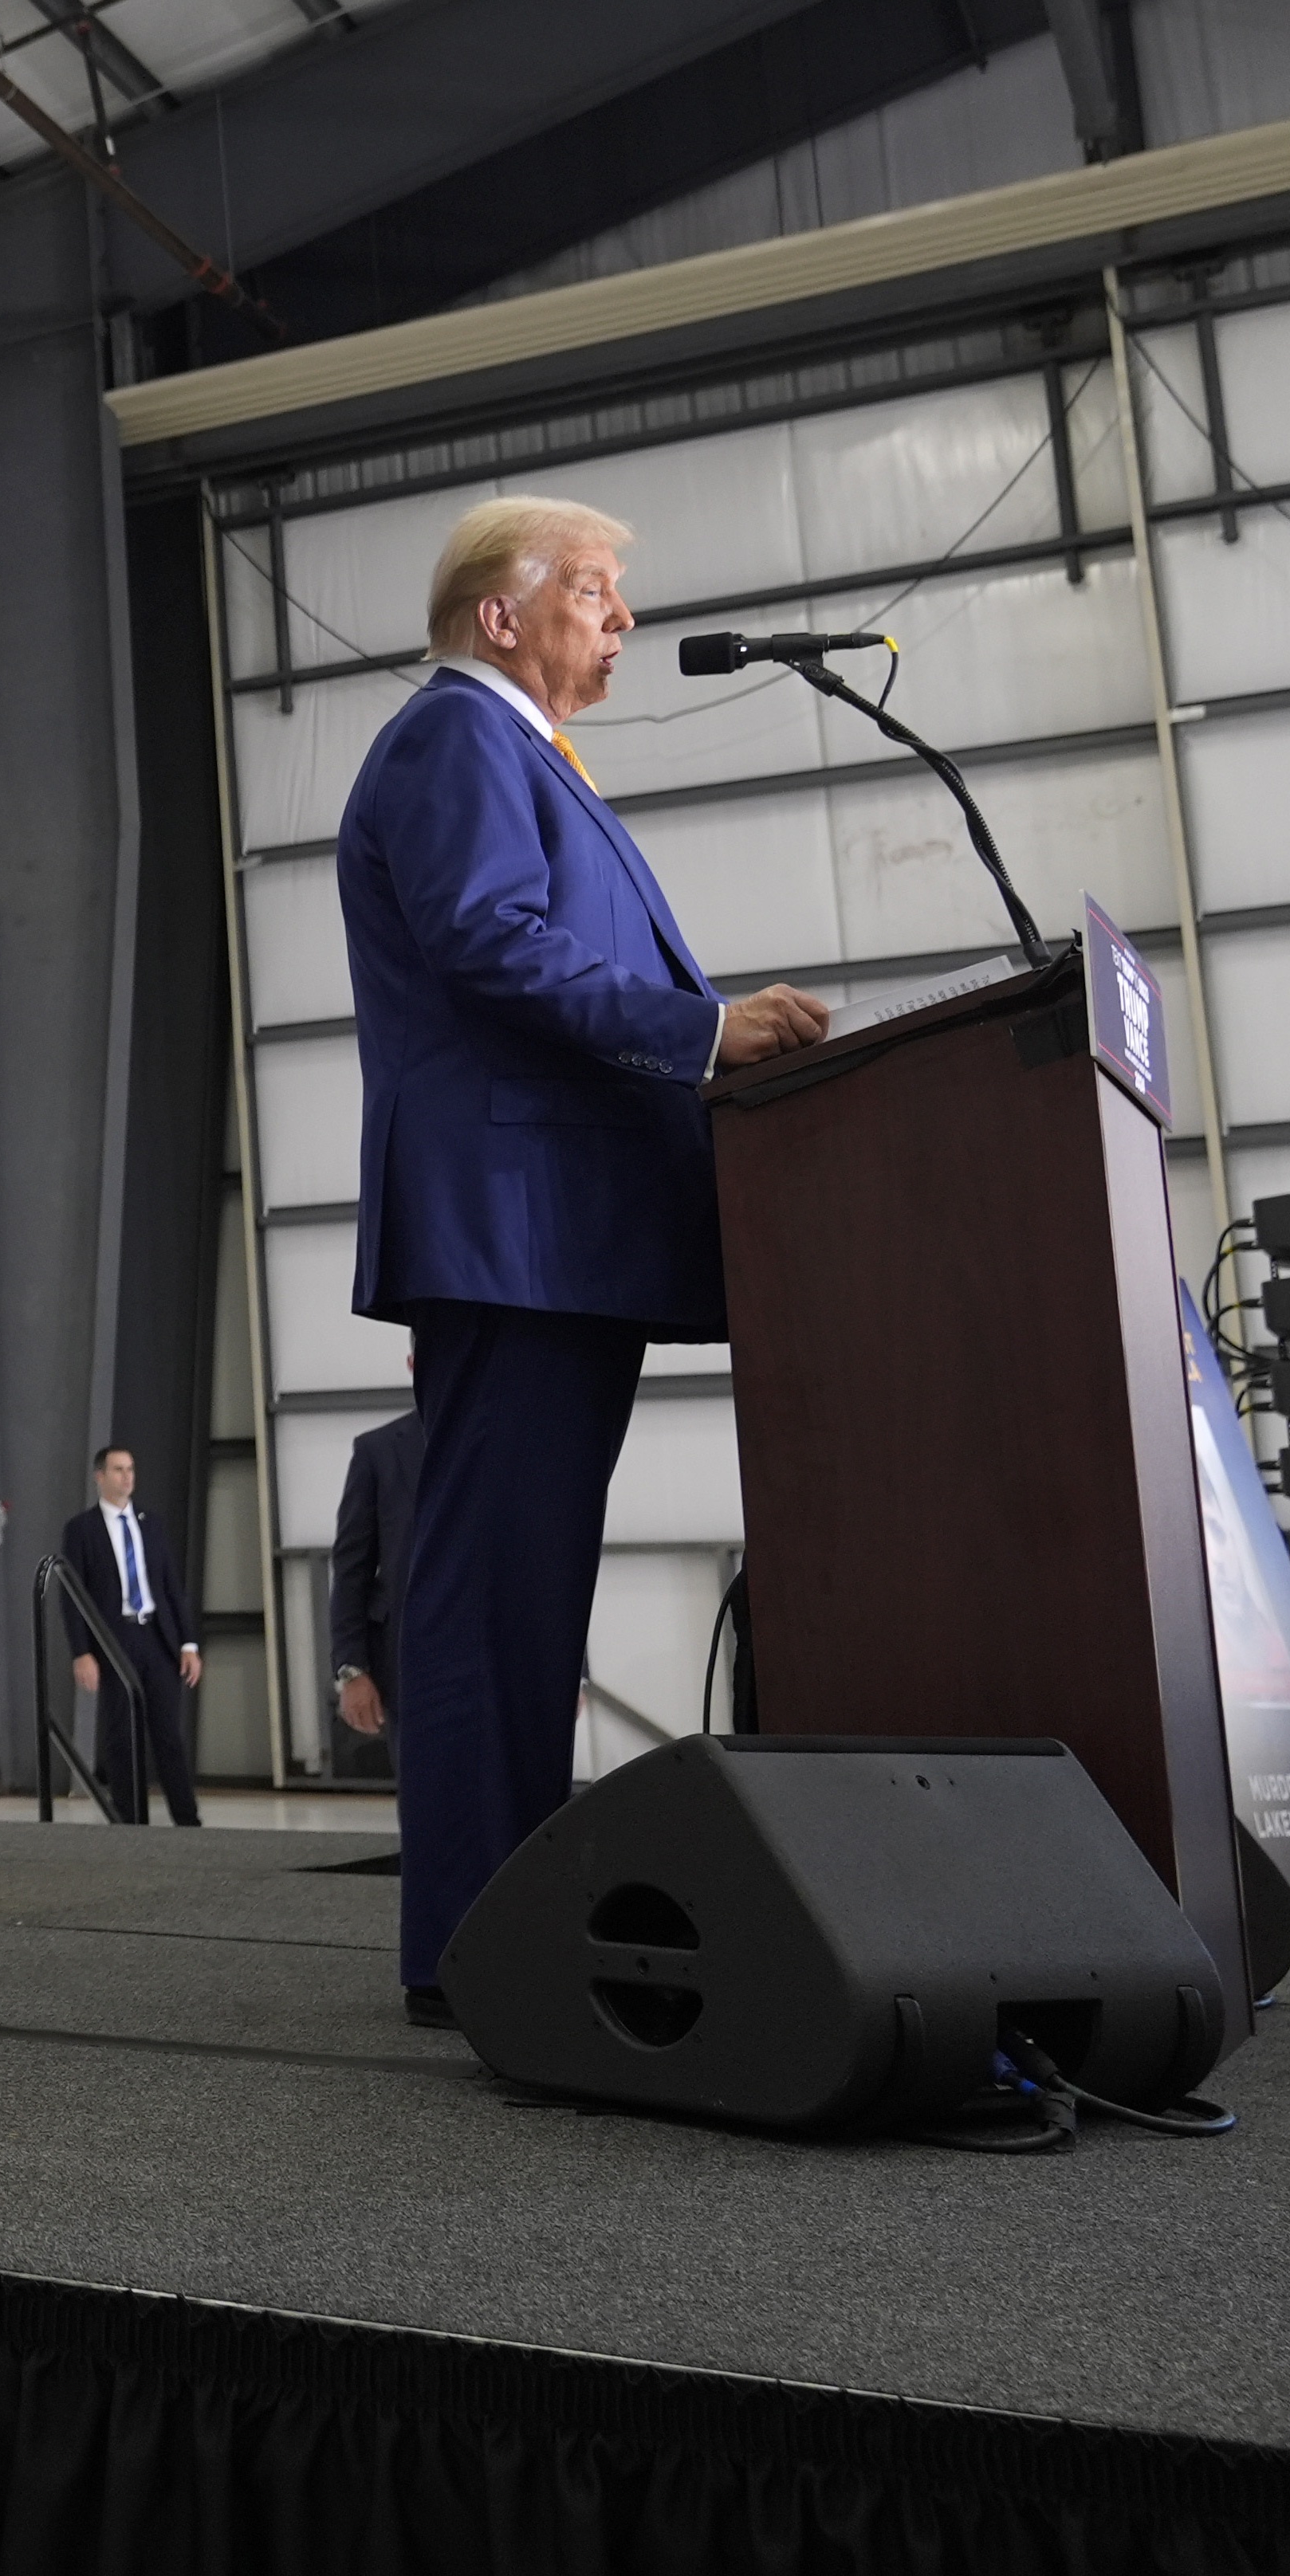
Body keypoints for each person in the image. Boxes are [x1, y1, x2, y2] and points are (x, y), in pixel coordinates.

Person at [336, 496, 828, 2024]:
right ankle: (472, 1939)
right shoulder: (453, 742)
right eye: (596, 592)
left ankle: (493, 1920)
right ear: (500, 614)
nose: (619, 620)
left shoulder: (528, 755)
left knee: (524, 1585)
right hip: (516, 1228)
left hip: (560, 1231)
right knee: (494, 1588)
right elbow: (492, 939)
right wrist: (700, 1028)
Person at [57, 1446, 201, 1826]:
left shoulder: (150, 1523)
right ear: (100, 1477)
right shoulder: (81, 1530)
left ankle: (187, 1819)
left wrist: (188, 1643)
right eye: (118, 1470)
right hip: (114, 1638)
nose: (127, 1477)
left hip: (156, 1637)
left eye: (131, 1469)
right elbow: (72, 1598)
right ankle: (131, 1821)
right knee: (122, 1734)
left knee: (168, 1733)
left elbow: (171, 1587)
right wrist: (82, 1652)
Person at [328, 1391, 423, 1760]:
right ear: (414, 1365)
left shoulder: (507, 1442)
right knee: (426, 1805)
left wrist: (573, 1667)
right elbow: (353, 1567)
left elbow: (546, 1559)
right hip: (409, 1668)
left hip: (501, 1667)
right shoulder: (379, 1452)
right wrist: (352, 1670)